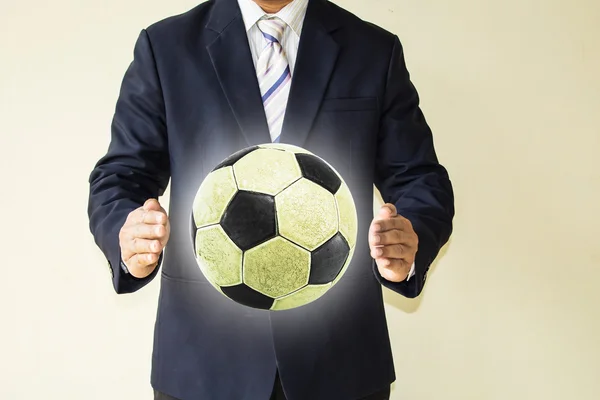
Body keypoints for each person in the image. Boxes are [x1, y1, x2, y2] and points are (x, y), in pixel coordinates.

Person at [87, 0, 454, 398]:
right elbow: (121, 177)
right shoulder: (166, 47)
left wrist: (407, 241)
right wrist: (128, 233)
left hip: (339, 363)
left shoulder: (373, 50)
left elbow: (419, 178)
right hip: (204, 365)